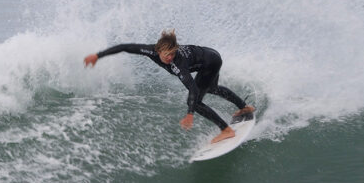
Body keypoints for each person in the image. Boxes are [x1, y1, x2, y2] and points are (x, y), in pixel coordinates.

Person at [83, 29, 255, 143]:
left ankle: (226, 130)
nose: (170, 58)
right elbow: (125, 47)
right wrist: (98, 56)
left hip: (210, 62)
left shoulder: (178, 64)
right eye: (167, 55)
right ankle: (244, 107)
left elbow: (193, 89)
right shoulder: (151, 50)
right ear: (158, 51)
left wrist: (190, 113)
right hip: (211, 56)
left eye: (173, 54)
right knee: (211, 88)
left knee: (195, 102)